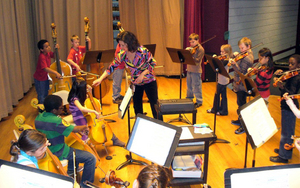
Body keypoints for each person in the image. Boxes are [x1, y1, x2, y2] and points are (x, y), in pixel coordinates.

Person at [92, 31, 158, 119]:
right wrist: (100, 79)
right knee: (137, 108)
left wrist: (142, 75)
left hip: (149, 81)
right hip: (136, 83)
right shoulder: (122, 55)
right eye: (120, 45)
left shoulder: (142, 51)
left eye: (123, 45)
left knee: (155, 106)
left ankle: (161, 127)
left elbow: (153, 63)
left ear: (129, 43)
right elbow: (111, 67)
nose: (121, 47)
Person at [35, 95, 96, 188]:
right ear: (54, 110)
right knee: (91, 158)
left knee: (74, 149)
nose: (63, 109)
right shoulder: (56, 121)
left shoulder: (38, 118)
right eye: (60, 108)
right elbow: (74, 129)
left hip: (47, 150)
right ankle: (85, 186)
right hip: (59, 152)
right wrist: (84, 126)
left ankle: (71, 169)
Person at [68, 77, 125, 146]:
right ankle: (84, 143)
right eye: (84, 88)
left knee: (102, 123)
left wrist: (90, 91)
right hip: (78, 117)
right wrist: (94, 111)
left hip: (85, 115)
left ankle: (114, 139)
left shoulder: (80, 95)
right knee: (86, 130)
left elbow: (90, 100)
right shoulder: (74, 99)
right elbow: (82, 108)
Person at [270, 54, 300, 163]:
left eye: (293, 64)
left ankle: (284, 156)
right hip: (285, 106)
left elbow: (291, 93)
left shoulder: (296, 77)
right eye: (289, 64)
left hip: (290, 108)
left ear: (299, 65)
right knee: (285, 130)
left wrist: (283, 87)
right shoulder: (291, 75)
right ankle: (283, 149)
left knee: (287, 133)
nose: (290, 66)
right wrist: (279, 75)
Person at [230, 37, 254, 134]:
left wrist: (234, 64)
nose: (241, 50)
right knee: (240, 103)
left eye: (242, 48)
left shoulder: (248, 58)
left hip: (243, 85)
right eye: (240, 48)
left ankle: (244, 125)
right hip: (239, 84)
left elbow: (241, 72)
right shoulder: (243, 55)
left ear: (248, 46)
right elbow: (237, 57)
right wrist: (235, 54)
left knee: (242, 104)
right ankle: (240, 120)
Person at [207, 44, 233, 115]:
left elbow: (219, 65)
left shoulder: (226, 60)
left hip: (223, 80)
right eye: (221, 52)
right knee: (222, 95)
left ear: (227, 52)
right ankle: (222, 110)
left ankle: (216, 110)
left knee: (217, 94)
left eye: (223, 52)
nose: (221, 54)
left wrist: (215, 59)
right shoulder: (224, 59)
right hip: (222, 79)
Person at [33, 40, 62, 104]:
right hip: (40, 79)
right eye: (46, 47)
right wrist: (56, 72)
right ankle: (41, 110)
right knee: (42, 95)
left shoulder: (48, 53)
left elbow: (54, 56)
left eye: (49, 45)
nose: (49, 47)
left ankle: (44, 108)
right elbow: (45, 68)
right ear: (41, 50)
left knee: (45, 93)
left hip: (45, 78)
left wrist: (57, 50)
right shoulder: (41, 57)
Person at [186, 33, 205, 108]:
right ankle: (189, 98)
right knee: (189, 86)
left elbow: (197, 61)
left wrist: (190, 54)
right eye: (190, 42)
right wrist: (186, 53)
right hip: (189, 69)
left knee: (196, 86)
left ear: (198, 40)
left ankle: (199, 101)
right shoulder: (191, 48)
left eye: (193, 42)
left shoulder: (200, 49)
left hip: (196, 70)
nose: (191, 44)